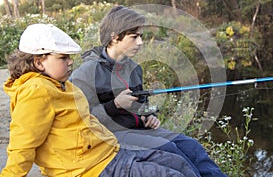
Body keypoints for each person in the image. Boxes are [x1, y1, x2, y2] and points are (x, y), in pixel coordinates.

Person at [0, 23, 201, 177]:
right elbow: (22, 146)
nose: (70, 62)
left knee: (177, 163)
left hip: (111, 152)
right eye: (63, 58)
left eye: (70, 57)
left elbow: (87, 121)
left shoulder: (64, 85)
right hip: (92, 168)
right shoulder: (35, 91)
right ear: (38, 62)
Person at [70, 5, 227, 177]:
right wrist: (114, 105)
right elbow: (80, 121)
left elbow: (141, 107)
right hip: (111, 134)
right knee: (169, 149)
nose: (140, 42)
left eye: (141, 37)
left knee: (191, 146)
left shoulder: (135, 69)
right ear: (115, 37)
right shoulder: (86, 73)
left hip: (139, 129)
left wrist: (149, 117)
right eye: (134, 37)